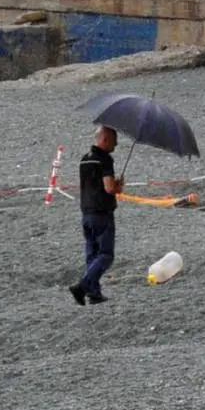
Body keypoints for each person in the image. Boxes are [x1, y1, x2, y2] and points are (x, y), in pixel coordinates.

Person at [69, 125, 124, 306]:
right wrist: (118, 186)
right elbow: (108, 188)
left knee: (91, 254)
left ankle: (94, 293)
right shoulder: (104, 159)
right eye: (114, 141)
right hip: (102, 212)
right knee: (106, 254)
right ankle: (83, 286)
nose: (115, 146)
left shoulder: (85, 159)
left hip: (86, 212)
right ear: (105, 139)